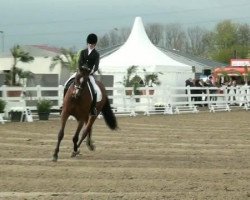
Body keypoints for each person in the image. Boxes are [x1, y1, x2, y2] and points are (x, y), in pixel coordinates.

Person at [63, 33, 100, 116]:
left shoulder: (96, 54)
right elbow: (79, 62)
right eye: (90, 44)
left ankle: (93, 108)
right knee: (67, 84)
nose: (91, 45)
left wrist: (90, 71)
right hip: (80, 72)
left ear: (95, 44)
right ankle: (64, 104)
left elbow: (96, 66)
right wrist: (80, 69)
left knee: (95, 89)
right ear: (87, 43)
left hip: (89, 74)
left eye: (93, 44)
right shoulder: (83, 52)